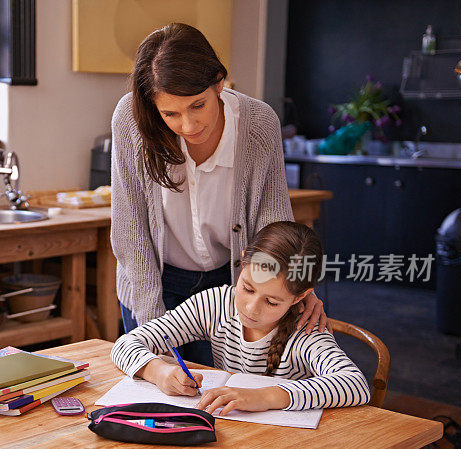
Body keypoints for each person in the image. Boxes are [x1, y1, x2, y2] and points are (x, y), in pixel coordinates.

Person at [111, 23, 328, 367]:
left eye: (198, 105)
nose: (188, 125)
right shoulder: (131, 120)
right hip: (152, 279)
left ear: (219, 83)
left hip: (232, 285)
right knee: (161, 400)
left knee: (225, 400)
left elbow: (275, 226)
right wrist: (154, 328)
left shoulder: (258, 124)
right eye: (171, 113)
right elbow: (131, 229)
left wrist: (295, 283)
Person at [110, 221, 370, 415]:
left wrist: (267, 397)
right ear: (244, 259)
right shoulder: (215, 304)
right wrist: (159, 371)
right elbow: (125, 344)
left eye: (271, 301)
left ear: (301, 296)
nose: (251, 308)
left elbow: (355, 384)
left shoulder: (306, 328)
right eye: (247, 288)